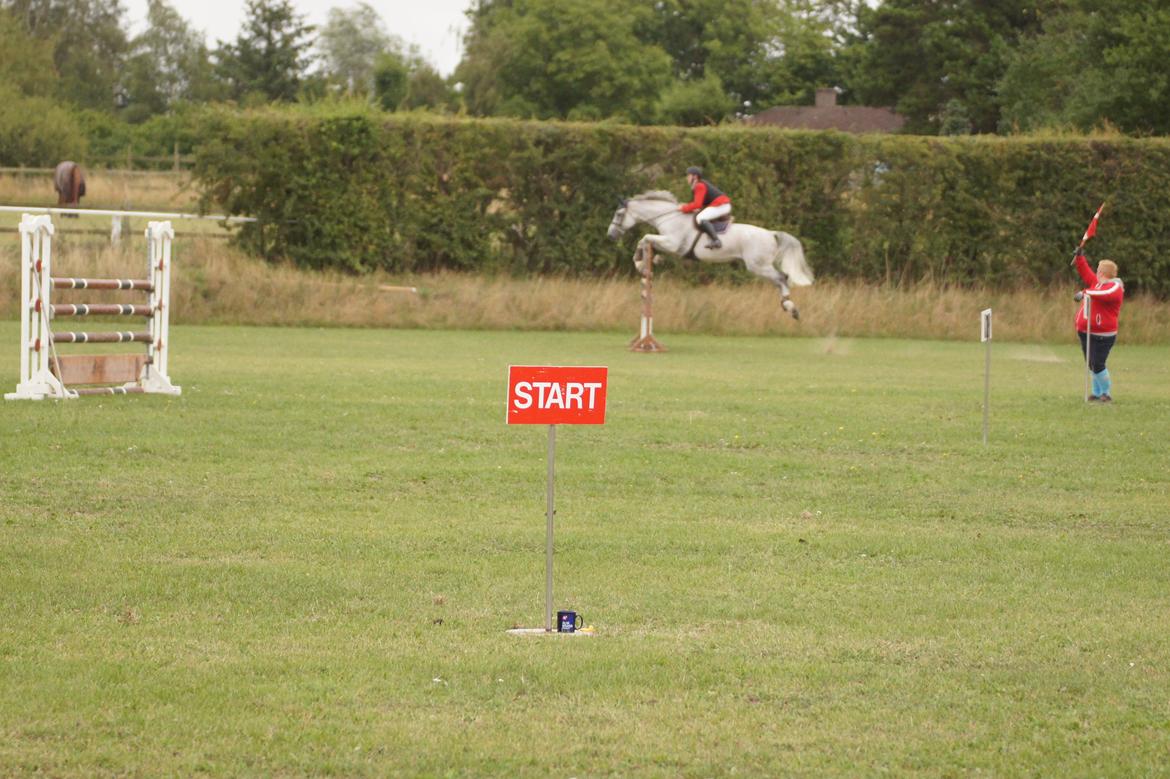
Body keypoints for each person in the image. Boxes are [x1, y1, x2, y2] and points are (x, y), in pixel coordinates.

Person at [1072, 247, 1124, 402]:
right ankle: (1096, 393)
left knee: (1098, 363)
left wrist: (1085, 293)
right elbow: (1085, 272)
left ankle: (1106, 393)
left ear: (1102, 272)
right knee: (1091, 364)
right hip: (1085, 331)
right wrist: (1080, 258)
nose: (1095, 272)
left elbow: (1104, 295)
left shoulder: (1115, 287)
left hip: (1103, 335)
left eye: (1098, 270)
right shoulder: (1097, 283)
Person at [680, 166, 731, 249]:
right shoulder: (697, 185)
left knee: (700, 218)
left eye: (688, 176)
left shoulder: (699, 185)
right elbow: (696, 204)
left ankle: (716, 241)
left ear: (695, 177)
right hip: (720, 205)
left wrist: (683, 208)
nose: (687, 178)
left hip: (721, 205)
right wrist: (686, 207)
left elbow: (697, 205)